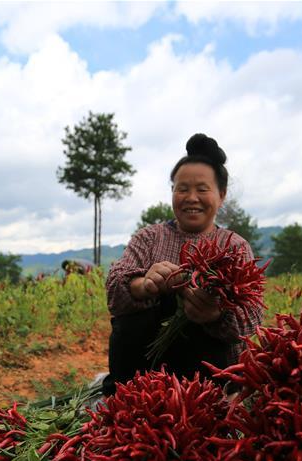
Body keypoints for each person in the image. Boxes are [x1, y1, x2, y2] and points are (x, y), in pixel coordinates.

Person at [101, 133, 264, 396]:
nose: (191, 197)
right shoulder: (149, 237)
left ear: (221, 195)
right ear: (172, 192)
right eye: (182, 188)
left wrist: (216, 313)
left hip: (211, 379)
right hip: (143, 373)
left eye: (202, 189)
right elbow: (114, 291)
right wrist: (143, 285)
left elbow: (252, 318)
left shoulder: (234, 246)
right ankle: (128, 394)